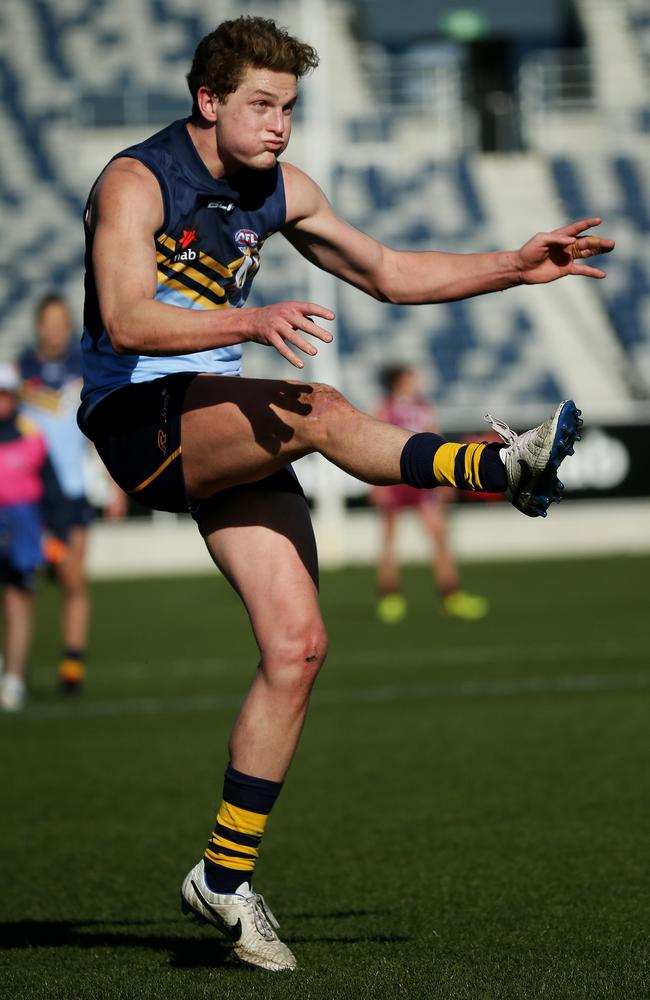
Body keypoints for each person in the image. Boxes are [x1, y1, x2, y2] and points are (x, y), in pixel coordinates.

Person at [77, 16, 611, 971]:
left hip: (224, 419)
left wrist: (513, 266)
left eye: (290, 107)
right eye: (262, 105)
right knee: (317, 404)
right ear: (208, 101)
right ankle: (497, 469)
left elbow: (389, 273)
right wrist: (251, 314)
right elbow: (123, 315)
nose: (281, 125)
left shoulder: (282, 189)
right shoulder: (135, 179)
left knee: (299, 648)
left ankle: (224, 881)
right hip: (141, 420)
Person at [19, 294, 126, 694]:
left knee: (73, 578)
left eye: (61, 321)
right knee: (22, 582)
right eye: (48, 321)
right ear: (37, 326)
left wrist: (113, 485)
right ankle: (17, 669)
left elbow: (94, 433)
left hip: (72, 490)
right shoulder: (20, 372)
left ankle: (72, 664)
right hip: (28, 493)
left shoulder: (81, 369)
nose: (55, 328)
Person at [371, 365, 489, 623]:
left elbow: (437, 441)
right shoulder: (385, 407)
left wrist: (445, 481)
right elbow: (373, 443)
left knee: (439, 535)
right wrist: (375, 485)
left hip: (421, 480)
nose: (418, 382)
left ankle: (450, 595)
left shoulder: (424, 407)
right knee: (390, 540)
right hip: (393, 478)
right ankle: (390, 596)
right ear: (399, 381)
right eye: (412, 377)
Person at [0, 363, 66, 712]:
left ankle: (13, 679)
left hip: (24, 526)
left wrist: (58, 532)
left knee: (18, 602)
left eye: (6, 394)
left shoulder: (30, 433)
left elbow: (51, 486)